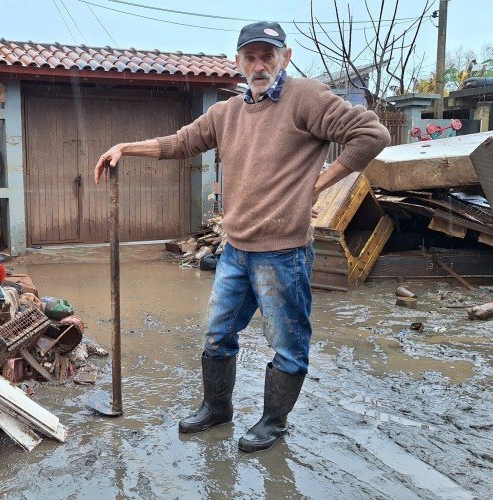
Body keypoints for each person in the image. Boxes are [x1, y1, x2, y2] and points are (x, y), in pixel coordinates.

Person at [94, 21, 390, 453]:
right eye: (250, 56)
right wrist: (125, 147)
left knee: (287, 345)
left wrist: (320, 182)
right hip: (236, 250)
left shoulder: (304, 97)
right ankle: (217, 409)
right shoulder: (227, 113)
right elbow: (181, 142)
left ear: (284, 58)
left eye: (267, 55)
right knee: (218, 335)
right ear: (237, 62)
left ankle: (273, 423)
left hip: (284, 252)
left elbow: (372, 134)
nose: (258, 64)